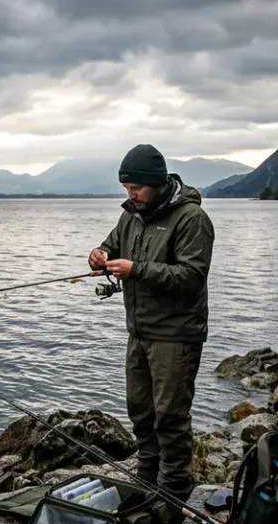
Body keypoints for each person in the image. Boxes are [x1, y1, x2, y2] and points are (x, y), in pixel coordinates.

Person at [87, 143, 214, 504]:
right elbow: (111, 245)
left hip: (176, 336)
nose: (131, 195)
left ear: (157, 183)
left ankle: (174, 490)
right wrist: (100, 256)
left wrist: (136, 270)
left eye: (136, 188)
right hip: (139, 331)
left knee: (170, 416)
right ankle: (147, 478)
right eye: (126, 188)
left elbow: (191, 276)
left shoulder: (192, 219)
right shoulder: (131, 215)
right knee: (140, 409)